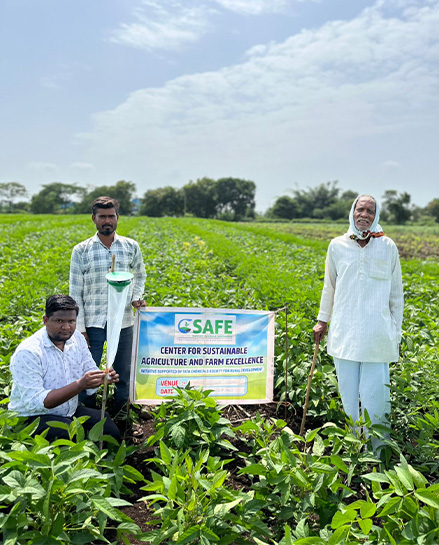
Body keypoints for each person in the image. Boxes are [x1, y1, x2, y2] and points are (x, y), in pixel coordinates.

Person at [313, 194, 404, 451]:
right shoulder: (337, 246)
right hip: (345, 334)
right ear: (352, 212)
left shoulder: (387, 247)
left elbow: (396, 295)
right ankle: (356, 448)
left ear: (376, 216)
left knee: (376, 397)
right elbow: (328, 287)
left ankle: (379, 451)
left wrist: (395, 334)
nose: (364, 214)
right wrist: (323, 321)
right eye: (360, 209)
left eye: (370, 211)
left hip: (377, 336)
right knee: (349, 397)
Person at [69, 196, 146, 417]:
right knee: (89, 369)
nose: (107, 221)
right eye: (102, 216)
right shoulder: (81, 250)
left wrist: (136, 296)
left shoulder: (130, 246)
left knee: (123, 369)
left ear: (117, 218)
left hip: (123, 320)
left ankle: (121, 411)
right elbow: (75, 291)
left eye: (111, 216)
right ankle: (87, 412)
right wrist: (79, 327)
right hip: (92, 320)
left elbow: (139, 276)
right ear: (94, 218)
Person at [8, 295, 121, 442]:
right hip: (32, 418)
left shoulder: (77, 339)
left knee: (106, 426)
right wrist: (80, 385)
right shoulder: (29, 352)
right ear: (45, 320)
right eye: (59, 321)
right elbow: (40, 402)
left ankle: (107, 462)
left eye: (71, 321)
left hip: (69, 411)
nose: (66, 327)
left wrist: (102, 377)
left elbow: (89, 368)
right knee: (68, 432)